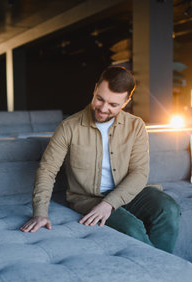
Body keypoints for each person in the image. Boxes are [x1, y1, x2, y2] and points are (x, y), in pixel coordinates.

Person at [20, 66, 181, 253]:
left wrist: (109, 204)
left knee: (168, 209)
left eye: (113, 105)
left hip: (128, 191)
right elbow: (47, 170)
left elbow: (140, 172)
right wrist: (40, 213)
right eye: (100, 99)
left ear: (126, 101)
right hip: (88, 198)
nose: (103, 109)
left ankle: (160, 271)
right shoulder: (69, 127)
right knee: (132, 228)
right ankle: (165, 271)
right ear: (95, 88)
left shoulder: (136, 126)